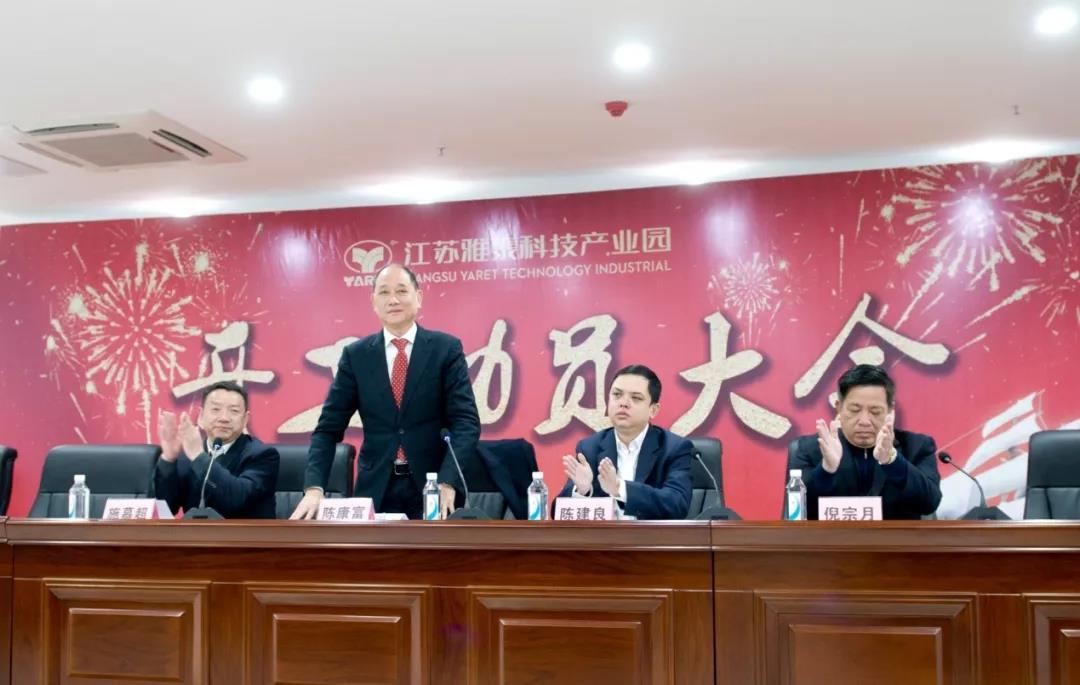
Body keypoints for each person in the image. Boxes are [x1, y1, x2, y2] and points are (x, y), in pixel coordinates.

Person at [291, 263, 481, 520]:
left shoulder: (445, 349)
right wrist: (314, 488)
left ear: (418, 297)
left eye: (401, 291)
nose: (393, 300)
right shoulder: (356, 356)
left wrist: (448, 481)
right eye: (384, 292)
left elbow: (466, 422)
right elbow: (327, 430)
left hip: (434, 488)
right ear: (373, 302)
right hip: (376, 488)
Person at [789, 364, 942, 520]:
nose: (864, 421)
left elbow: (929, 503)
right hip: (833, 536)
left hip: (895, 537)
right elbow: (797, 513)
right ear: (839, 407)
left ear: (890, 410)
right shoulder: (809, 449)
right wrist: (826, 470)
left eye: (875, 411)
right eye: (854, 410)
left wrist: (893, 461)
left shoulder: (917, 446)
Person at [557, 364, 692, 520]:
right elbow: (558, 512)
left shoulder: (674, 448)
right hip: (604, 536)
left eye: (636, 398)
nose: (623, 403)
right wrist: (582, 491)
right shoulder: (590, 447)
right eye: (617, 394)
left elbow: (677, 504)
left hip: (651, 536)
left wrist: (620, 488)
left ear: (653, 410)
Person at [156, 380, 279, 518]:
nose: (224, 418)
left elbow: (238, 498)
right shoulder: (187, 455)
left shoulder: (263, 455)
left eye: (234, 411)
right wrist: (168, 459)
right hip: (194, 532)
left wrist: (199, 457)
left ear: (245, 419)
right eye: (215, 409)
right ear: (201, 416)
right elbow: (163, 508)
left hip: (245, 532)